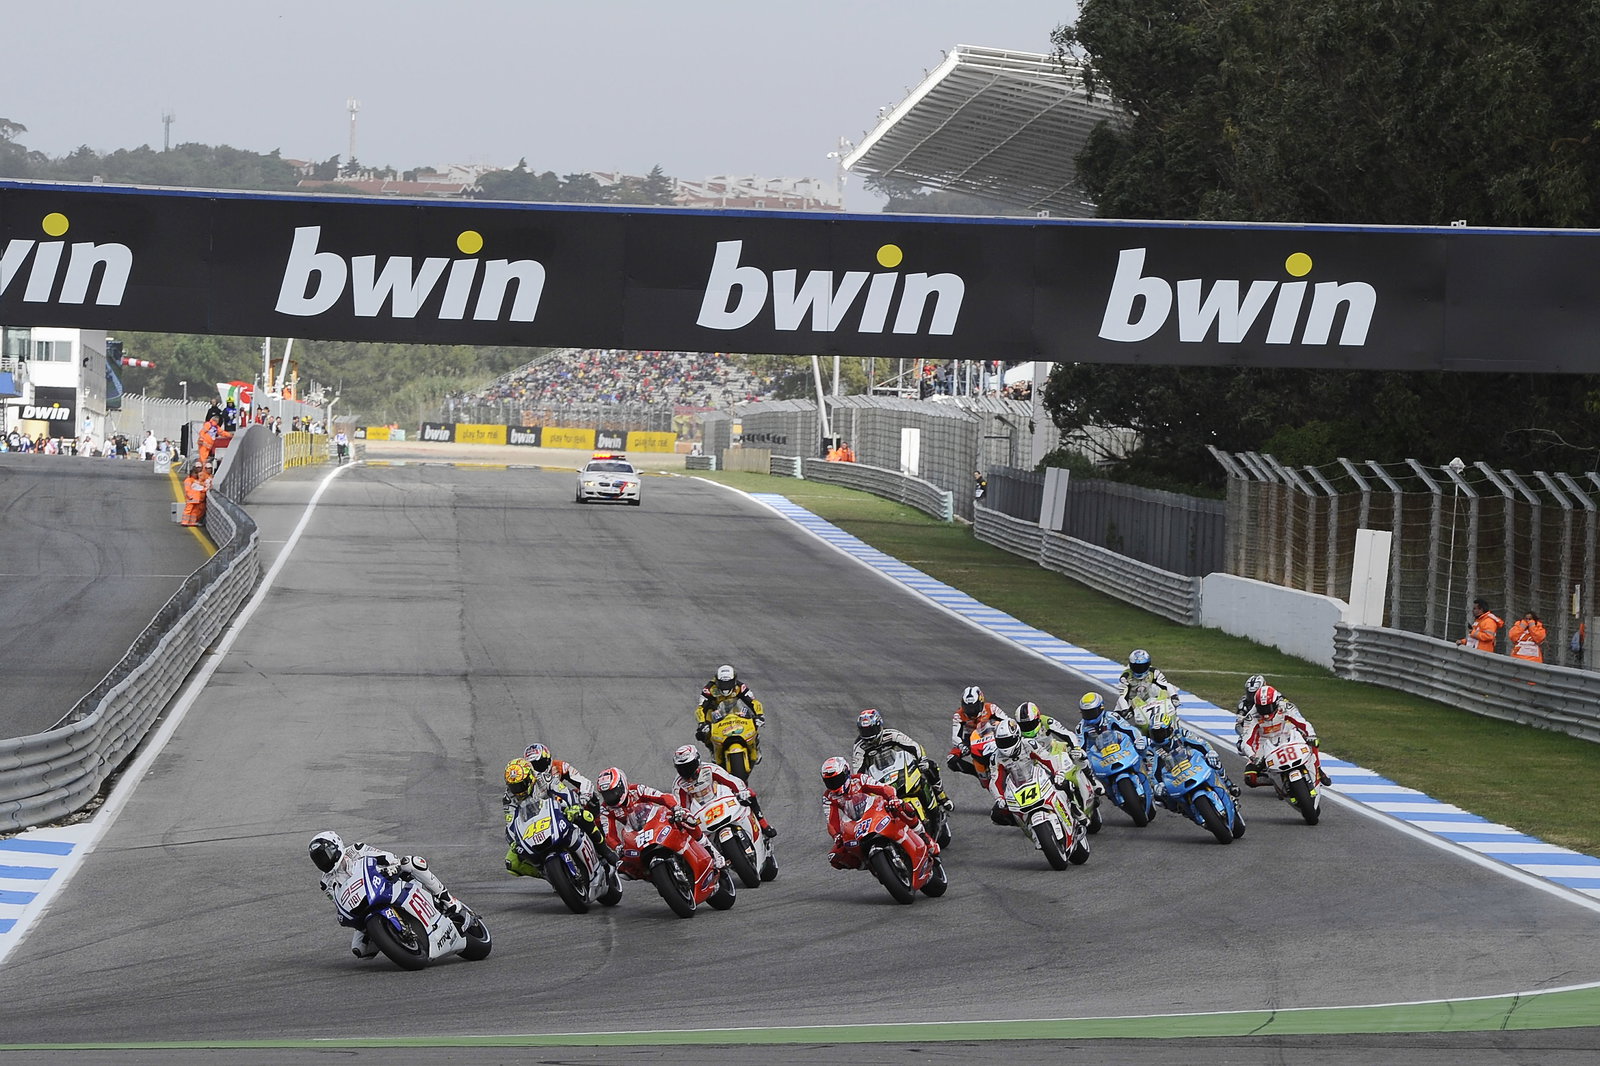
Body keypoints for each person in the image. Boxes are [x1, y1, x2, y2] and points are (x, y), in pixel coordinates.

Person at [309, 830, 469, 958]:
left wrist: (393, 866)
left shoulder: (356, 850)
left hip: (387, 882)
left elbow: (386, 856)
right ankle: (390, 936)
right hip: (365, 905)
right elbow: (339, 903)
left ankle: (447, 899)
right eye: (318, 859)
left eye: (325, 855)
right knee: (359, 950)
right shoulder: (326, 883)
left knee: (411, 862)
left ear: (336, 846)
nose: (323, 861)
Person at [502, 750, 612, 879]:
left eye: (521, 785)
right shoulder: (509, 797)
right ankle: (549, 874)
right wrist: (513, 841)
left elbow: (563, 791)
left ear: (530, 777)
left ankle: (605, 851)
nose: (518, 790)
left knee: (584, 815)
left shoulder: (543, 778)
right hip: (532, 826)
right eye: (514, 786)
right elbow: (510, 822)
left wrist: (574, 806)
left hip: (557, 811)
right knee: (512, 862)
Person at [820, 756, 935, 870]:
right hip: (856, 823)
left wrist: (892, 798)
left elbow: (883, 788)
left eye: (836, 779)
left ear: (846, 773)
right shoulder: (828, 797)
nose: (833, 784)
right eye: (829, 782)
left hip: (876, 810)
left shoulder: (859, 779)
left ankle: (923, 836)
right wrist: (837, 835)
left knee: (903, 807)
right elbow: (831, 820)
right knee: (835, 856)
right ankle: (865, 864)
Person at [595, 766, 716, 865]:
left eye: (613, 792)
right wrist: (618, 847)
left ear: (622, 785)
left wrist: (676, 808)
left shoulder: (637, 790)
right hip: (637, 833)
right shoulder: (605, 809)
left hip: (658, 820)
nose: (611, 796)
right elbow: (609, 834)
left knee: (687, 818)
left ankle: (710, 850)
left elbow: (662, 797)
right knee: (624, 868)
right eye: (606, 794)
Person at [850, 708, 953, 812]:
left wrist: (922, 760)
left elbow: (914, 746)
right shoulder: (859, 747)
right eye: (864, 731)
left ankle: (941, 796)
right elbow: (858, 772)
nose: (868, 735)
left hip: (898, 767)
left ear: (879, 725)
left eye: (870, 730)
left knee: (930, 766)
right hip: (878, 776)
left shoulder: (891, 734)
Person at [672, 743, 777, 838]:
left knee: (749, 794)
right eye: (682, 768)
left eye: (689, 766)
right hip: (700, 810)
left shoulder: (710, 769)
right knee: (684, 830)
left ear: (697, 761)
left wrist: (741, 791)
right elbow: (680, 805)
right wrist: (683, 815)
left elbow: (731, 780)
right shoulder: (679, 784)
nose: (686, 771)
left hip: (720, 798)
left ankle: (763, 823)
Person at [1146, 705, 1242, 805]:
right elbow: (1152, 770)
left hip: (1193, 764)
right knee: (1159, 797)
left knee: (1214, 761)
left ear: (1170, 729)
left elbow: (1201, 743)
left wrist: (1210, 752)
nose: (1158, 736)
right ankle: (1181, 807)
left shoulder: (1181, 733)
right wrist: (1157, 784)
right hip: (1173, 776)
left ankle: (1228, 784)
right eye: (1155, 733)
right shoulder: (1152, 748)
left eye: (1161, 733)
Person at [1239, 685, 1332, 787]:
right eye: (1262, 708)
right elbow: (1246, 741)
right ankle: (1275, 781)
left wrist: (1311, 735)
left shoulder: (1286, 707)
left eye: (1268, 708)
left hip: (1288, 735)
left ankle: (1318, 769)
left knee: (1313, 742)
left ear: (1275, 703)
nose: (1265, 714)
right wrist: (1253, 756)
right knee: (1250, 778)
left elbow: (1303, 723)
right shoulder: (1251, 717)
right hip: (1264, 743)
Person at [1115, 649, 1182, 732]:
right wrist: (1125, 710)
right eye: (1137, 667)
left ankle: (1175, 726)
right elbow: (1123, 696)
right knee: (1117, 719)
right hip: (1133, 703)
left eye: (1143, 666)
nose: (1140, 669)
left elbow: (1166, 685)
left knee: (1157, 689)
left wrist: (1174, 696)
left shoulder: (1154, 672)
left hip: (1152, 700)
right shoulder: (1125, 677)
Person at [695, 664, 763, 743]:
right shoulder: (709, 689)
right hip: (715, 712)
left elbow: (753, 702)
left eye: (729, 683)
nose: (725, 687)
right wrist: (702, 723)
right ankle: (713, 748)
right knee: (703, 735)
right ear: (717, 681)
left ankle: (755, 746)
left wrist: (759, 715)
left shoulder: (740, 687)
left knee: (754, 726)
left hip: (735, 710)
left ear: (734, 681)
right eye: (722, 683)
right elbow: (700, 708)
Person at [180, 461, 209, 527]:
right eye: (195, 473)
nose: (196, 475)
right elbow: (187, 490)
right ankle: (184, 522)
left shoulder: (196, 481)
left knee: (194, 511)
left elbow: (201, 487)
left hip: (197, 498)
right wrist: (190, 496)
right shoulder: (188, 480)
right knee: (188, 510)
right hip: (191, 498)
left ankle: (192, 522)